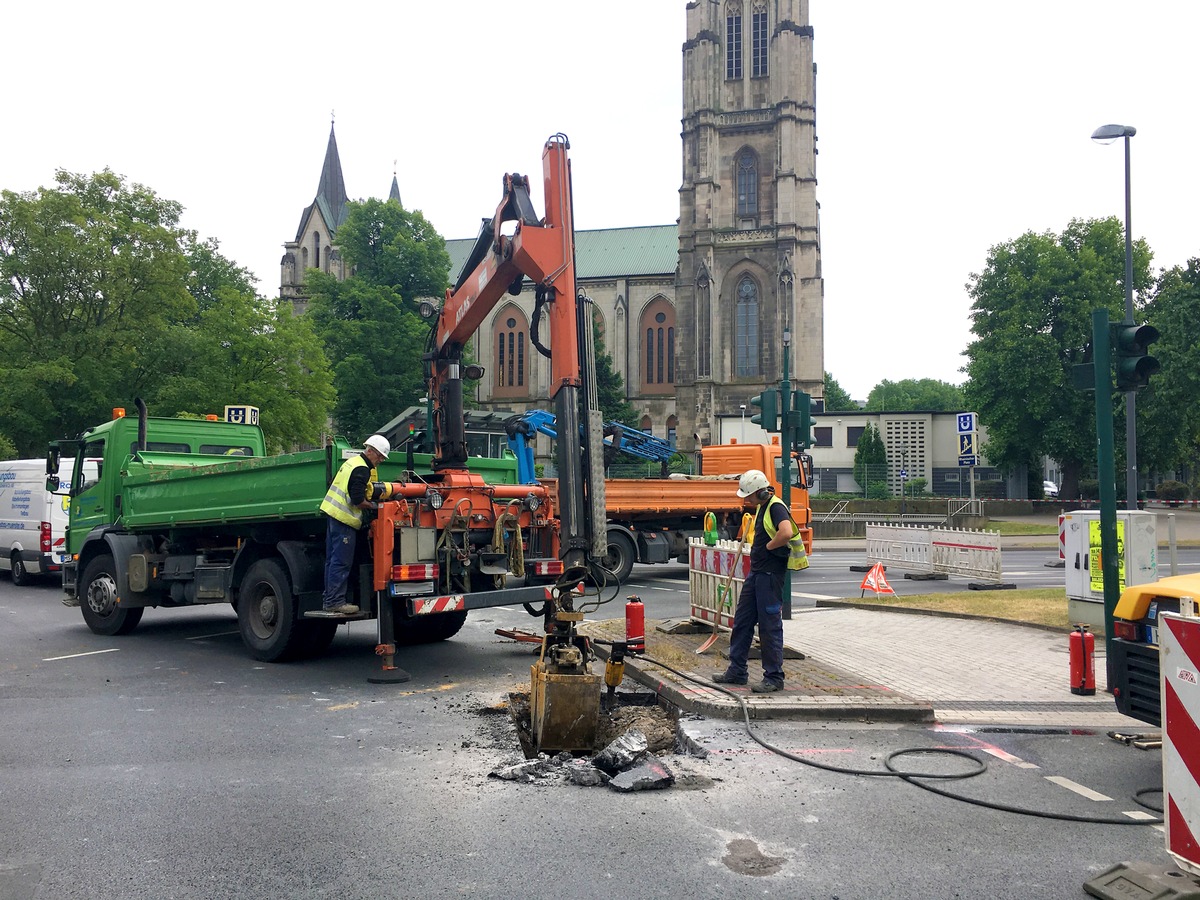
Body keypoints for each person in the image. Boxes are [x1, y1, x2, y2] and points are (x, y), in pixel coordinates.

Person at [712, 469, 794, 693]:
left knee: (769, 627)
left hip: (769, 575)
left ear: (759, 493)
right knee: (743, 621)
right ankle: (737, 671)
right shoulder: (764, 507)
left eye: (748, 496)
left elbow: (785, 533)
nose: (746, 500)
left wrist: (768, 547)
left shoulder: (776, 507)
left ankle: (774, 677)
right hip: (758, 574)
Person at [317, 434, 396, 616]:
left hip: (333, 516)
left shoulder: (352, 462)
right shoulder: (362, 469)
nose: (381, 461)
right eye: (380, 457)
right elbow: (357, 499)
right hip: (344, 520)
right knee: (341, 562)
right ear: (370, 451)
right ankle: (336, 602)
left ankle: (329, 599)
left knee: (332, 561)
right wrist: (376, 506)